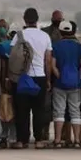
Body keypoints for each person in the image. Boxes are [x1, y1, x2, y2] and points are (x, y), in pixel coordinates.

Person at [11, 8, 52, 150]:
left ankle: (22, 140)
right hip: (39, 77)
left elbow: (13, 58)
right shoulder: (45, 36)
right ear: (37, 19)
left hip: (22, 78)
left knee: (22, 110)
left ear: (24, 19)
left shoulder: (18, 36)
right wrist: (48, 79)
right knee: (38, 110)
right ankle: (39, 140)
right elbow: (48, 60)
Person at [51, 20, 81, 148]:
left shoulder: (56, 46)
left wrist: (58, 76)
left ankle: (58, 140)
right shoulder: (79, 46)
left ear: (60, 32)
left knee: (59, 111)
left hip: (60, 84)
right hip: (75, 84)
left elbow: (52, 65)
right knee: (75, 111)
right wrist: (78, 78)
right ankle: (77, 140)